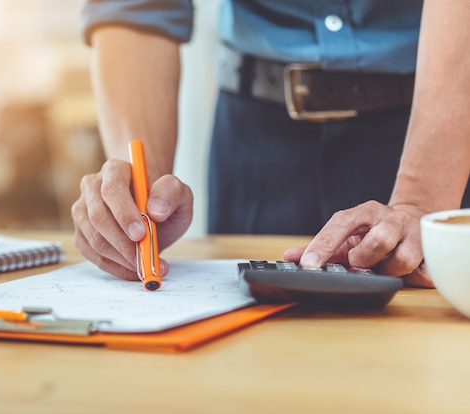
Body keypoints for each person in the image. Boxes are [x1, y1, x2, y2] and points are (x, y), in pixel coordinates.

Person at [71, 0, 470, 288]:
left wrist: (421, 202)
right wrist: (142, 198)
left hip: (444, 135)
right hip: (255, 141)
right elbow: (135, 8)